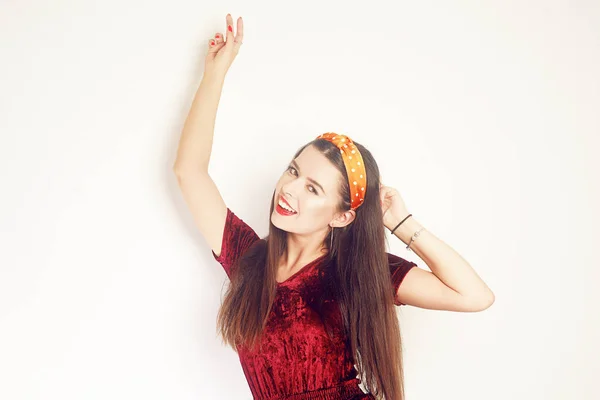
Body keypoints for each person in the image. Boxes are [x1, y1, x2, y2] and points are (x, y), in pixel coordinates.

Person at [173, 14, 495, 400]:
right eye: (293, 172)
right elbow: (189, 171)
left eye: (312, 188)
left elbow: (474, 296)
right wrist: (215, 74)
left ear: (343, 216)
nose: (289, 190)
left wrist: (401, 222)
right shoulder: (248, 259)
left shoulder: (356, 270)